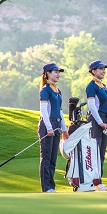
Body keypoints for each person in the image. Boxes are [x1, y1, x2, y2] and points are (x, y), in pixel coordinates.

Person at [38, 63, 70, 193]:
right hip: (47, 126)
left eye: (59, 72)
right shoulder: (45, 90)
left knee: (53, 159)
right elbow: (44, 110)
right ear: (48, 74)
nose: (58, 74)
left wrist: (64, 129)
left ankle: (51, 186)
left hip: (56, 125)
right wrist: (49, 127)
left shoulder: (58, 91)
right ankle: (46, 187)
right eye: (55, 72)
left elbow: (60, 111)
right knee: (46, 158)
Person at [86, 59, 107, 191]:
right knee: (95, 153)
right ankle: (95, 182)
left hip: (105, 120)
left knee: (101, 153)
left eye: (104, 69)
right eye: (101, 69)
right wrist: (100, 122)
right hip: (96, 121)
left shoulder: (103, 86)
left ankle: (98, 182)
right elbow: (92, 107)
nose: (103, 71)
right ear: (93, 71)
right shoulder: (91, 86)